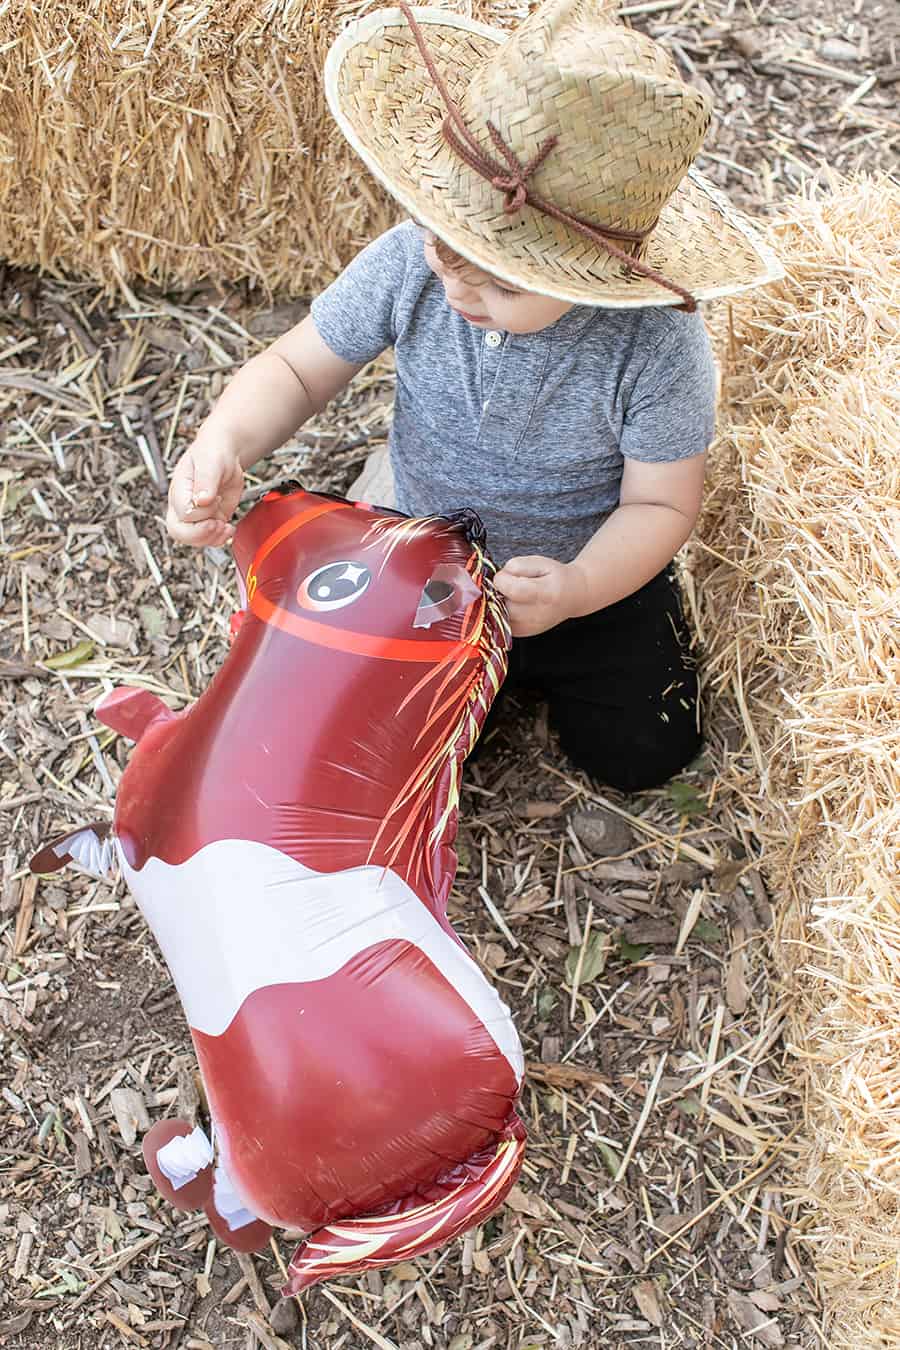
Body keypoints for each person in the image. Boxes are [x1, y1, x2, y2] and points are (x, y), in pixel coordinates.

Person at [166, 0, 781, 794]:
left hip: (586, 570)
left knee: (646, 753)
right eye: (442, 248)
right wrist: (224, 442)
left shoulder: (656, 344)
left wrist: (580, 589)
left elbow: (660, 507)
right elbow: (295, 371)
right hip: (428, 554)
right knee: (387, 756)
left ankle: (547, 663)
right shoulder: (408, 264)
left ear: (592, 277)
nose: (456, 286)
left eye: (496, 281)